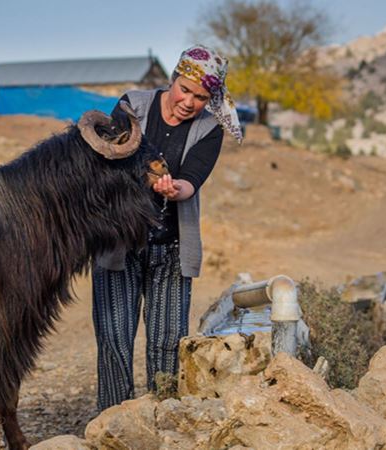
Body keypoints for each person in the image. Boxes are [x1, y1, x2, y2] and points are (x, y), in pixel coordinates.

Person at [92, 45, 243, 411]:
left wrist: (175, 189)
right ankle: (113, 421)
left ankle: (162, 419)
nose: (190, 102)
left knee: (167, 343)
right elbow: (110, 160)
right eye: (185, 90)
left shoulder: (209, 127)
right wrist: (141, 177)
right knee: (114, 339)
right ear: (173, 79)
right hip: (119, 243)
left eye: (201, 96)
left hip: (171, 248)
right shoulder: (132, 105)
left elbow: (193, 179)